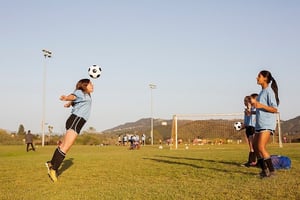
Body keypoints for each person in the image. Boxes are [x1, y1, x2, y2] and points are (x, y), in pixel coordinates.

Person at [45, 78, 94, 182]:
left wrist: (70, 103)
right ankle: (53, 170)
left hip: (76, 121)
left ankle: (51, 163)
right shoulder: (80, 92)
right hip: (76, 121)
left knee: (63, 145)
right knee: (66, 147)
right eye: (90, 84)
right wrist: (67, 98)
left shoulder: (86, 95)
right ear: (84, 85)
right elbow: (74, 96)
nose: (92, 85)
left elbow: (77, 100)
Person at [251, 70, 279, 178]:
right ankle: (264, 171)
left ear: (265, 79)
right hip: (259, 124)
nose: (257, 78)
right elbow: (260, 108)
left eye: (259, 76)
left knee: (261, 147)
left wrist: (261, 106)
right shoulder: (261, 92)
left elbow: (274, 109)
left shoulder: (269, 91)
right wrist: (252, 112)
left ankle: (272, 172)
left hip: (267, 124)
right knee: (255, 147)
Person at [241, 94, 257, 167]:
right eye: (244, 101)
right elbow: (246, 121)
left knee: (252, 146)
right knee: (250, 146)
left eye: (246, 101)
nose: (245, 102)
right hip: (248, 128)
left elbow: (252, 119)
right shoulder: (245, 110)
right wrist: (242, 127)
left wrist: (250, 110)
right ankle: (252, 161)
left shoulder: (254, 109)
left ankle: (251, 162)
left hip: (253, 127)